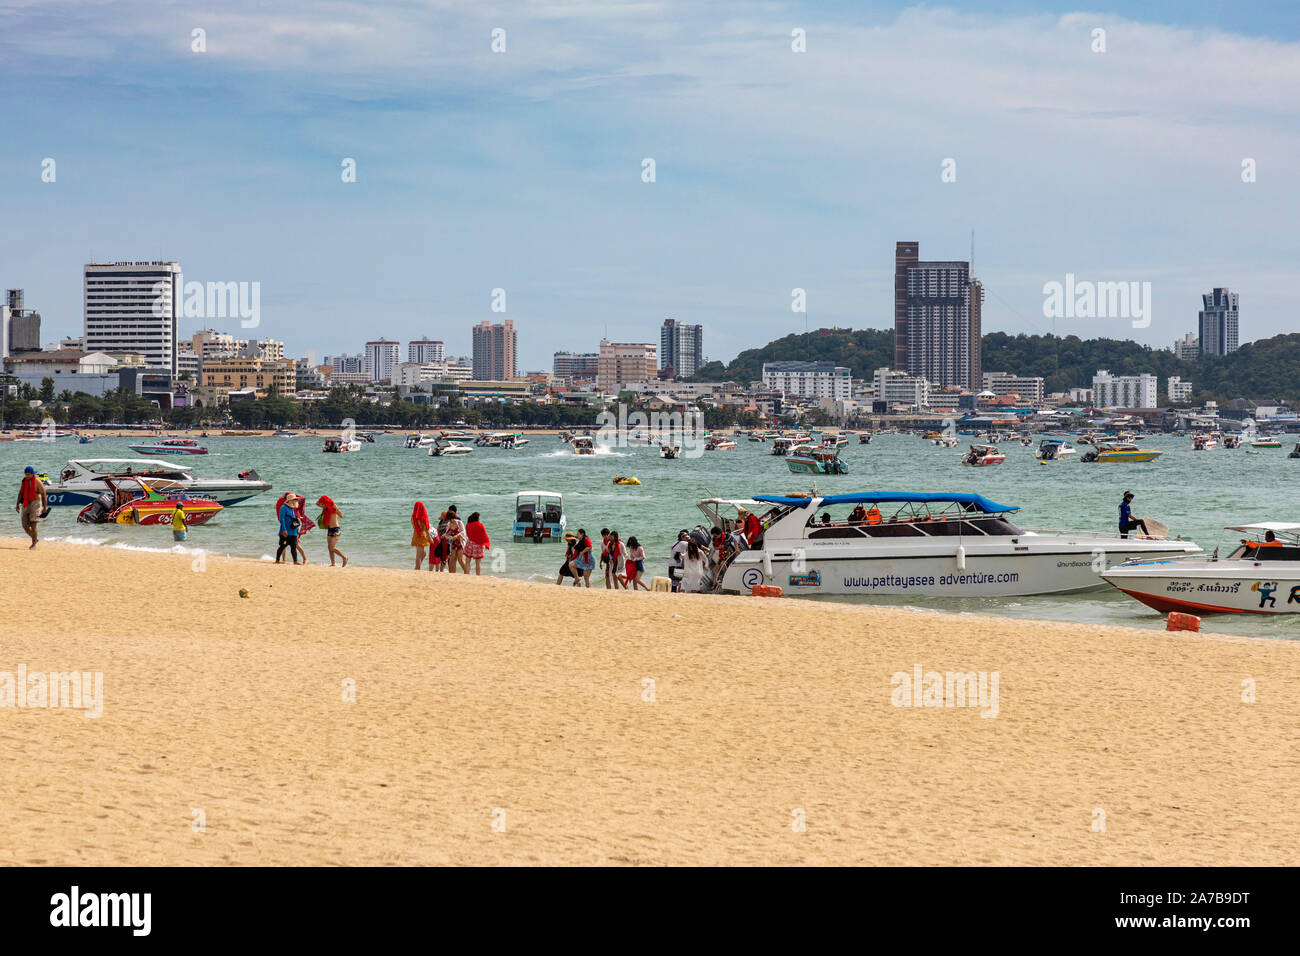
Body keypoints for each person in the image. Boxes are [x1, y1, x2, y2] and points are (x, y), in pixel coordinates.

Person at [16, 466, 48, 549]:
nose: (27, 476)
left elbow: (44, 494)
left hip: (36, 503)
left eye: (29, 474)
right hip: (26, 502)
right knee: (25, 526)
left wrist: (45, 507)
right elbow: (20, 493)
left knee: (33, 524)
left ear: (32, 474)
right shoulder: (24, 481)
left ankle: (33, 544)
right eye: (26, 474)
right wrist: (17, 504)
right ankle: (35, 538)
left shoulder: (38, 482)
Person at [317, 495, 347, 567]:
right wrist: (323, 503)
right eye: (322, 503)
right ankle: (333, 564)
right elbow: (317, 503)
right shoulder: (325, 508)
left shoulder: (333, 508)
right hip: (330, 529)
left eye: (323, 503)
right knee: (329, 548)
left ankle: (344, 557)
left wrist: (337, 508)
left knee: (332, 547)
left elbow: (341, 516)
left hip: (336, 529)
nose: (322, 505)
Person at [276, 493, 303, 564]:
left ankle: (295, 561)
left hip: (293, 532)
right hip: (286, 531)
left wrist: (297, 532)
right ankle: (277, 560)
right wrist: (284, 529)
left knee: (293, 547)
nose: (296, 501)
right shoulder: (283, 508)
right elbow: (282, 519)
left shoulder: (291, 509)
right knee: (282, 546)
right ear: (290, 500)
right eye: (295, 499)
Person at [444, 506, 467, 573]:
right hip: (453, 543)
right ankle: (452, 574)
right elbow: (447, 533)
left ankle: (467, 572)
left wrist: (457, 535)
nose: (450, 521)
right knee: (452, 560)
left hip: (460, 543)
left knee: (460, 559)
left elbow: (463, 532)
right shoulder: (449, 524)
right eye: (449, 519)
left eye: (451, 519)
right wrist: (445, 536)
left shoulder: (459, 522)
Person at [411, 501, 433, 569]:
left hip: (416, 534)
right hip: (421, 535)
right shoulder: (422, 517)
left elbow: (414, 525)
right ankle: (417, 568)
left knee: (422, 553)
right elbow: (426, 529)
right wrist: (430, 538)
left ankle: (417, 567)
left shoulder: (413, 517)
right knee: (420, 554)